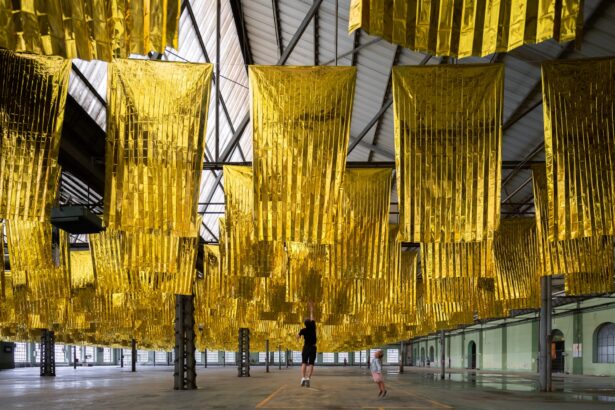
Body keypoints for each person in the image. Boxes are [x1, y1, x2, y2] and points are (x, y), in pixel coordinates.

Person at [297, 301, 316, 387]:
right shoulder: (313, 326)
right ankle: (308, 378)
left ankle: (303, 378)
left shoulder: (303, 330)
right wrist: (311, 308)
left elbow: (297, 337)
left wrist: (297, 337)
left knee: (304, 363)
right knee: (311, 363)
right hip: (313, 347)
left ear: (305, 323)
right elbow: (312, 315)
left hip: (306, 347)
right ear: (310, 322)